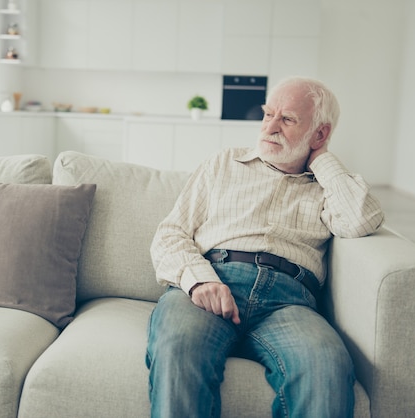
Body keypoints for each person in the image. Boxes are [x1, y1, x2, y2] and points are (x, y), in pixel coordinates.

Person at [145, 76, 384, 418]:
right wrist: (200, 280)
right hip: (214, 281)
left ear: (320, 134)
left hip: (290, 303)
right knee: (179, 348)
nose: (270, 127)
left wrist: (322, 160)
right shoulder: (222, 164)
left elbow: (362, 219)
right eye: (268, 114)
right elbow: (170, 234)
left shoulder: (328, 187)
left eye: (287, 119)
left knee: (326, 365)